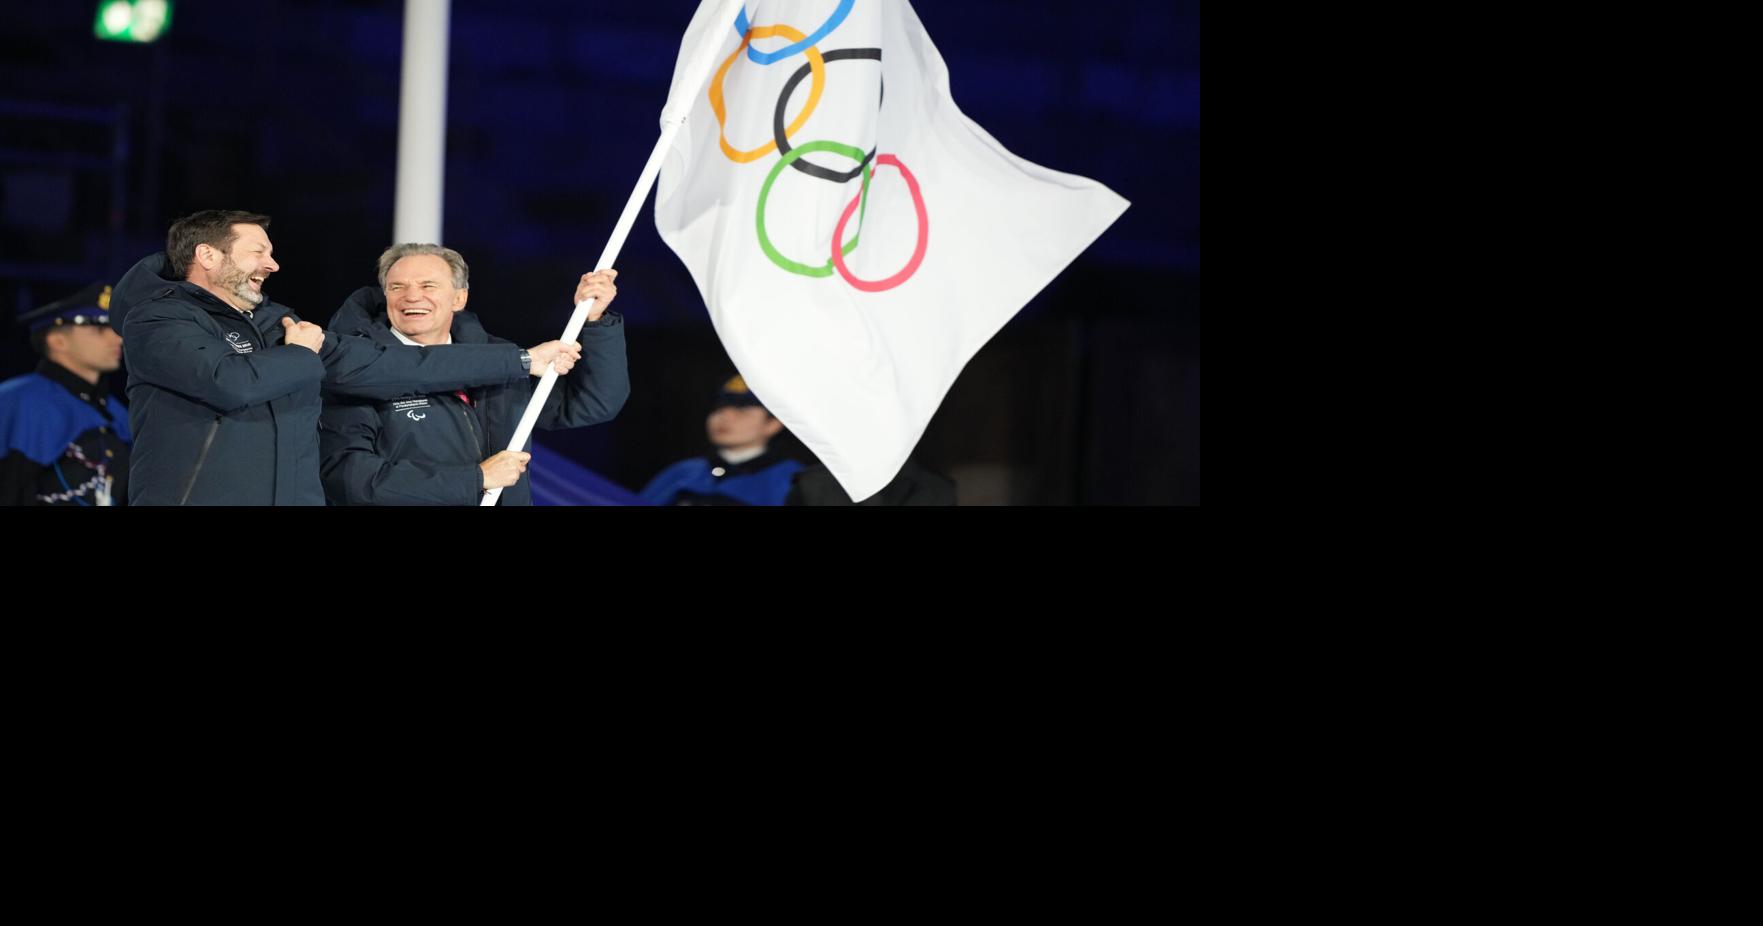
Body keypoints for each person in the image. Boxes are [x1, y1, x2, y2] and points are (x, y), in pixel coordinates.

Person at [111, 209, 580, 505]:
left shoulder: (278, 323)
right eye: (258, 252)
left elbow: (392, 363)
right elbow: (231, 382)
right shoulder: (157, 320)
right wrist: (299, 353)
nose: (272, 265)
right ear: (208, 256)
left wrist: (520, 361)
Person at [319, 244, 628, 505]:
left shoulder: (501, 359)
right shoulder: (357, 371)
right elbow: (351, 480)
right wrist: (476, 478)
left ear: (459, 298)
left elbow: (589, 404)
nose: (411, 296)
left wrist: (595, 320)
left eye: (428, 286)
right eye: (397, 287)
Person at [0, 283, 131, 505]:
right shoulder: (17, 401)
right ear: (57, 341)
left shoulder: (117, 412)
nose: (117, 338)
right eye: (99, 328)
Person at [638, 375, 802, 506]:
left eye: (742, 411)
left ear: (773, 424)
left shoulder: (792, 480)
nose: (725, 418)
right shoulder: (683, 472)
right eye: (719, 409)